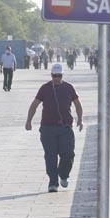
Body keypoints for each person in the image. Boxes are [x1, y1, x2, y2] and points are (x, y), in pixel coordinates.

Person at [24, 64, 84, 193]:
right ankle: (53, 182)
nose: (57, 78)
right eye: (54, 76)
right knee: (50, 156)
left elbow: (77, 104)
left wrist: (80, 119)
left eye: (59, 76)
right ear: (51, 76)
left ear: (62, 75)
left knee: (68, 154)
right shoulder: (45, 88)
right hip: (48, 128)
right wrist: (28, 121)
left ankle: (63, 175)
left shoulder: (69, 88)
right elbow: (34, 105)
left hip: (65, 128)